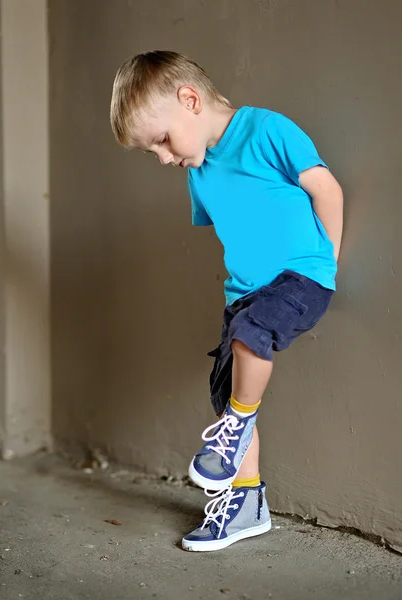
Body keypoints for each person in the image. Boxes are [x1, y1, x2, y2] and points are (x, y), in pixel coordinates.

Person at [110, 51, 343, 552]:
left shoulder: (267, 131)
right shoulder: (199, 172)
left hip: (300, 278)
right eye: (153, 152)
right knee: (226, 390)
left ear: (189, 100)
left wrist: (326, 266)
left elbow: (327, 191)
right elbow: (241, 224)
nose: (164, 158)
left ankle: (237, 425)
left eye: (163, 141)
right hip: (244, 294)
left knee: (249, 341)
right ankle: (246, 502)